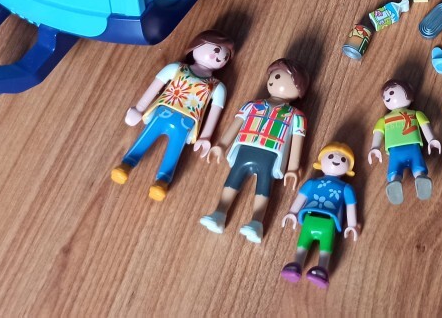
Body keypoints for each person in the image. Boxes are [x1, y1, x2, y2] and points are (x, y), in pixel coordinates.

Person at [110, 31, 233, 201]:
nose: (218, 56)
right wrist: (139, 108)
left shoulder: (217, 87)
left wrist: (205, 137)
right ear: (196, 45)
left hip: (187, 123)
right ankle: (126, 165)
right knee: (145, 138)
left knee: (174, 152)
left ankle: (162, 181)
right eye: (216, 50)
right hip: (163, 112)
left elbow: (215, 112)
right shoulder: (176, 68)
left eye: (225, 55)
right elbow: (155, 86)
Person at [199, 58, 309, 243]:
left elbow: (297, 141)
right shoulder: (252, 105)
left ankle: (257, 222)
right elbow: (236, 124)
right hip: (245, 147)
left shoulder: (296, 116)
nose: (275, 80)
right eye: (274, 75)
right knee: (233, 179)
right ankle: (219, 213)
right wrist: (222, 145)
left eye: (281, 77)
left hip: (271, 153)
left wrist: (292, 168)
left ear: (298, 88)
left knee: (264, 186)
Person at [279, 142, 361, 288]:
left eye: (343, 159)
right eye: (330, 156)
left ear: (349, 168)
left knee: (325, 247)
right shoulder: (312, 183)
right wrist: (292, 213)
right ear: (320, 161)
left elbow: (350, 206)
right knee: (303, 243)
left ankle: (322, 270)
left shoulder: (346, 188)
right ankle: (296, 264)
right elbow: (301, 198)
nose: (336, 161)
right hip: (309, 218)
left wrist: (352, 225)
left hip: (329, 222)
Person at [368, 79, 442, 204]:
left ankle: (417, 178)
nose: (388, 97)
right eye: (385, 96)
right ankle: (396, 182)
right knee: (397, 168)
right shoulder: (384, 120)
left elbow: (424, 125)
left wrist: (431, 140)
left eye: (391, 93)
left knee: (408, 167)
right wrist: (374, 147)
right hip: (400, 150)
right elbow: (378, 132)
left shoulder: (415, 114)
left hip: (409, 148)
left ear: (408, 92)